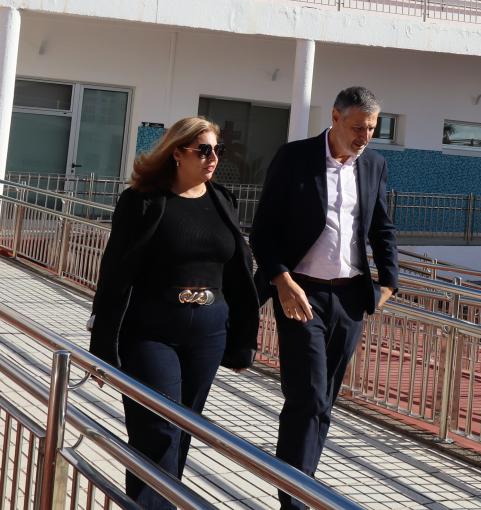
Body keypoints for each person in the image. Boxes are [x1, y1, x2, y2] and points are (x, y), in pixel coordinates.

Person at [89, 117, 259, 510]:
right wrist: (101, 348)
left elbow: (236, 272)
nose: (213, 157)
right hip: (151, 332)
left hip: (208, 336)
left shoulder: (223, 200)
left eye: (217, 149)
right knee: (157, 428)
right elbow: (115, 273)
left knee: (184, 429)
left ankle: (165, 501)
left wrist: (242, 339)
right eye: (203, 150)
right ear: (177, 152)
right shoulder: (143, 202)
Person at [250, 86, 398, 510]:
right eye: (357, 127)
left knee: (325, 401)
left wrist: (388, 284)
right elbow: (263, 230)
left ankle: (302, 486)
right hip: (302, 292)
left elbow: (382, 228)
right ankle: (293, 499)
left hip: (350, 297)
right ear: (334, 117)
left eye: (372, 128)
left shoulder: (374, 165)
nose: (364, 136)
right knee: (308, 397)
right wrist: (281, 280)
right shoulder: (295, 158)